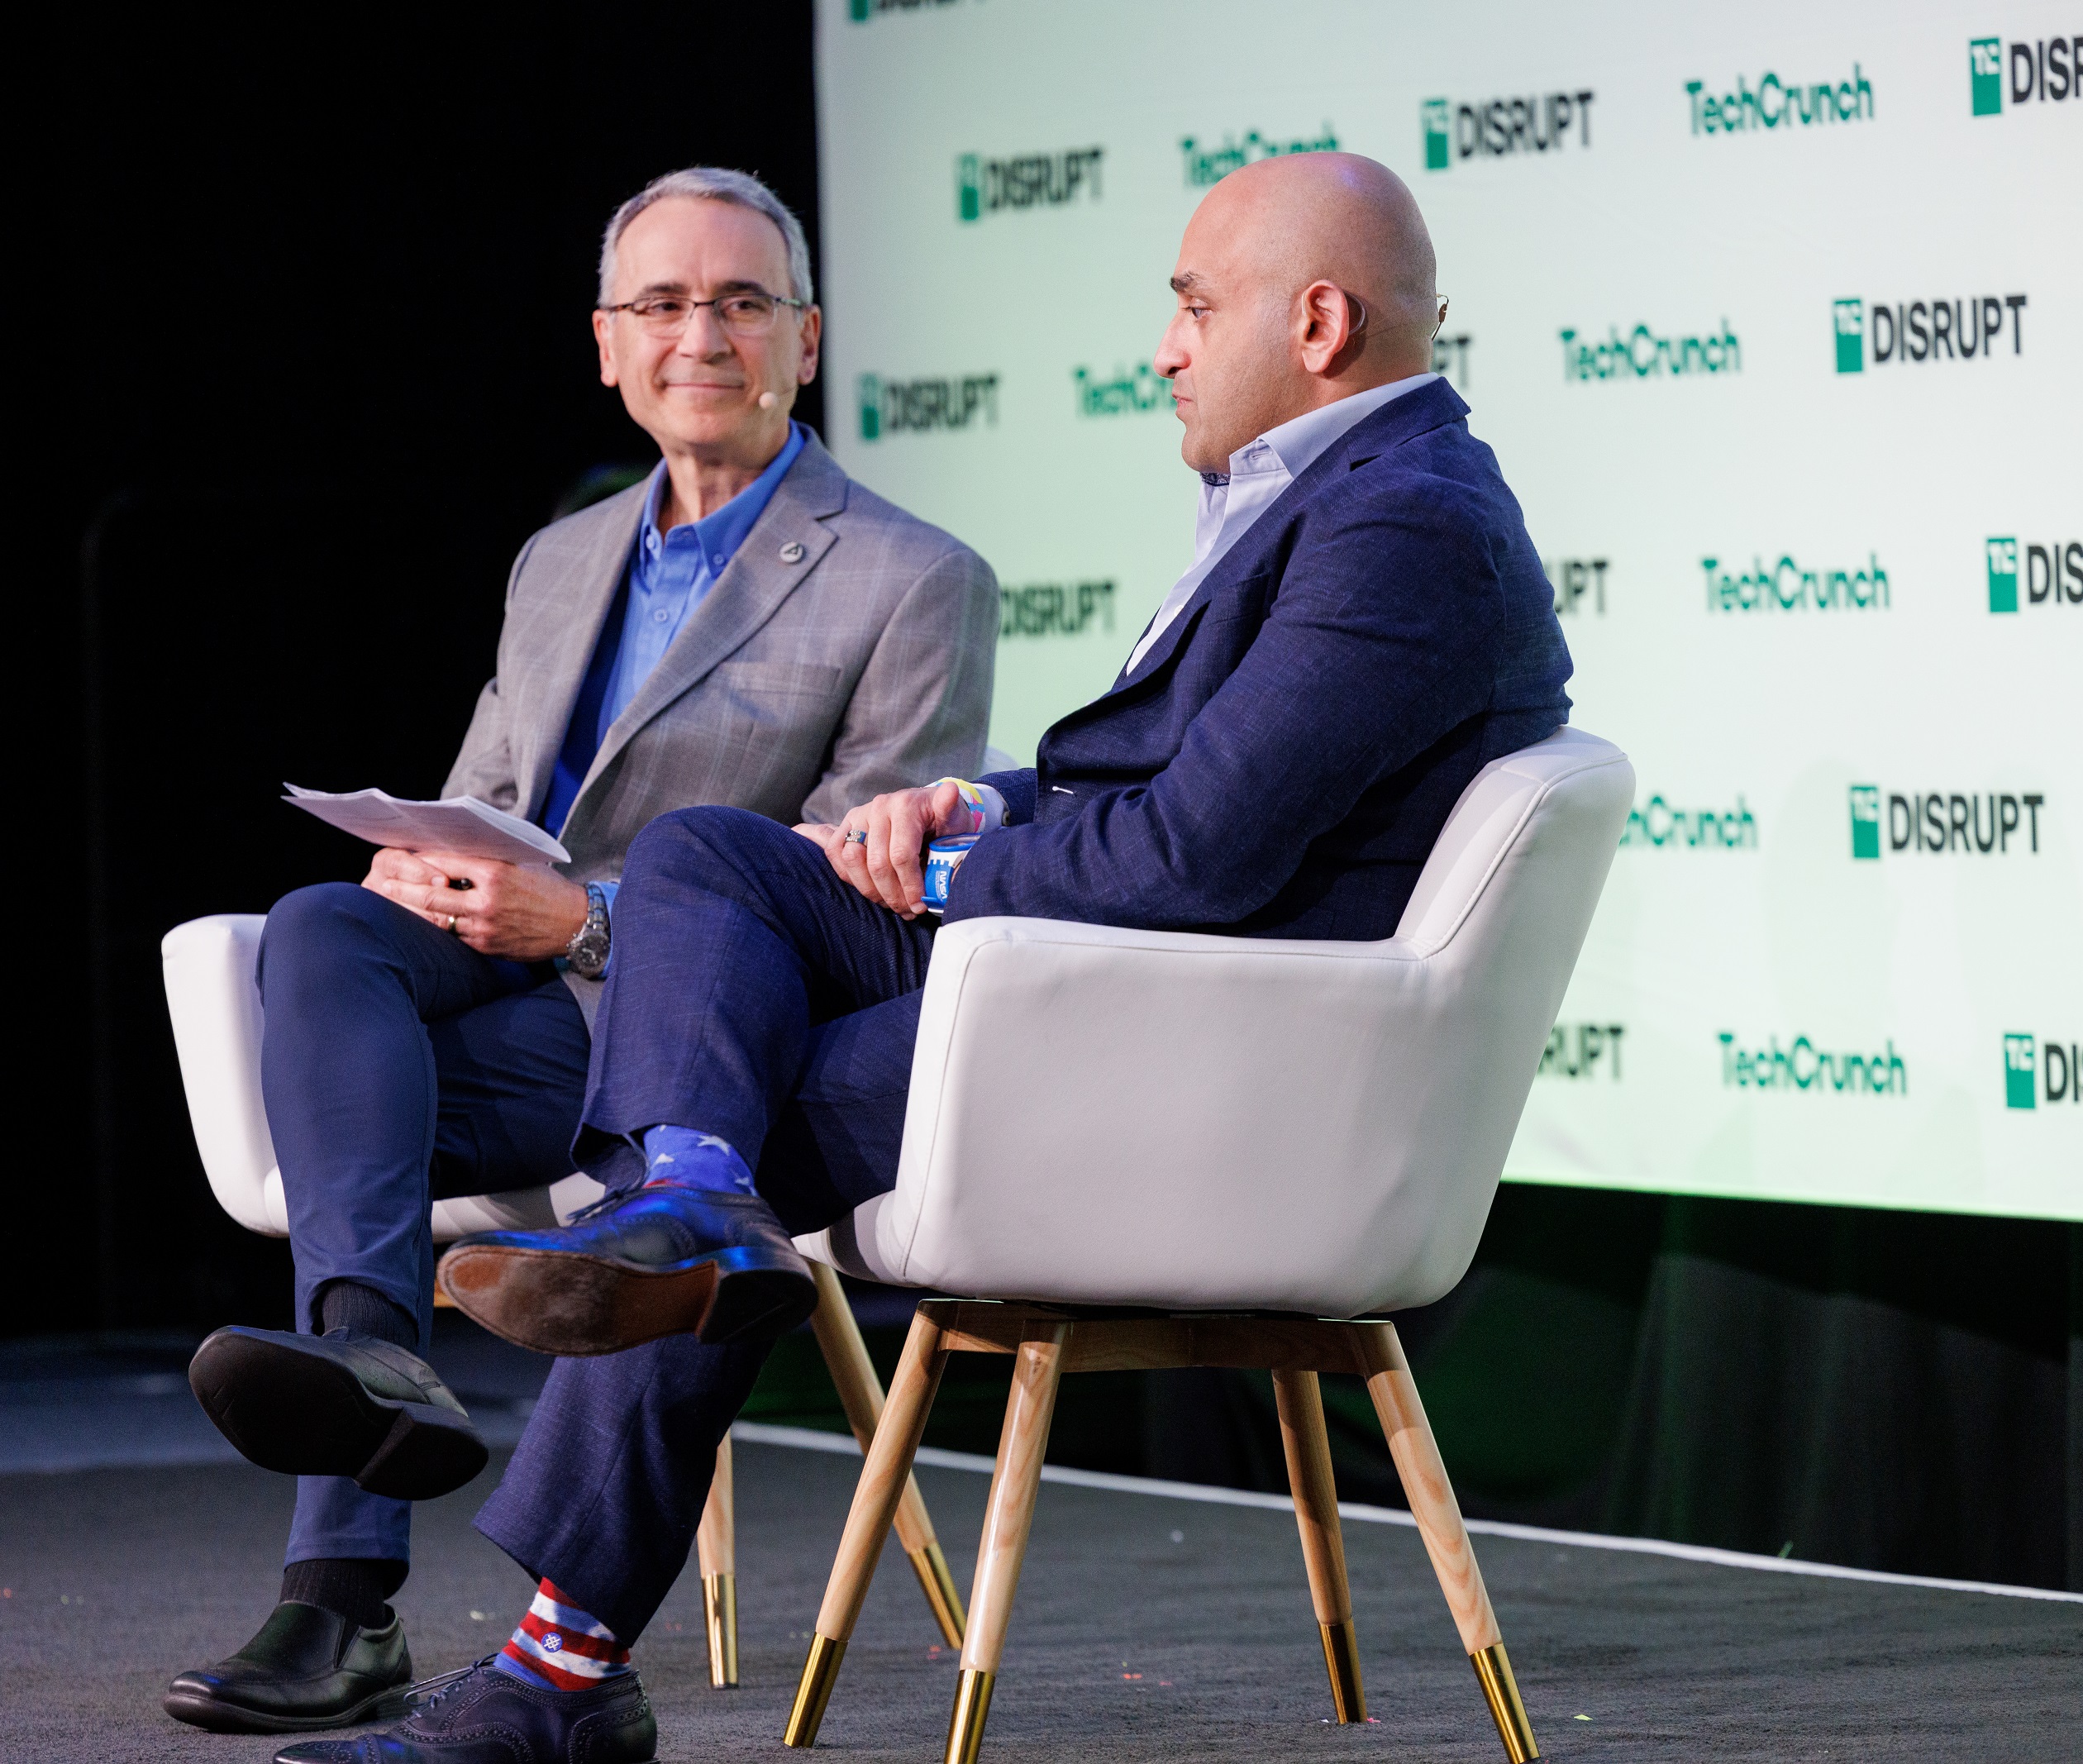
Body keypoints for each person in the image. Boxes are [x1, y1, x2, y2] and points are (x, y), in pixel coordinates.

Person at [325, 151, 1572, 1764]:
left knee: (745, 1116)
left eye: (1194, 305)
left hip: (1199, 1037)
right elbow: (1171, 784)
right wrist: (967, 797)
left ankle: (556, 1668)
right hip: (1113, 975)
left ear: (1317, 319)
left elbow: (1198, 855)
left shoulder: (1402, 524)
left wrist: (950, 872)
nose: (1169, 346)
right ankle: (683, 1184)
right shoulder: (1350, 492)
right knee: (713, 854)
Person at [160, 167, 999, 1738]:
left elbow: (853, 907)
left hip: (671, 1042)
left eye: (743, 302)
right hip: (495, 977)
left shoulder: (914, 576)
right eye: (665, 305)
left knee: (357, 1093)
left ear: (806, 341)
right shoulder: (562, 557)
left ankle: (340, 1601)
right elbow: (492, 790)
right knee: (326, 923)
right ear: (608, 345)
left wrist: (591, 924)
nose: (705, 334)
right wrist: (436, 854)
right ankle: (370, 1358)